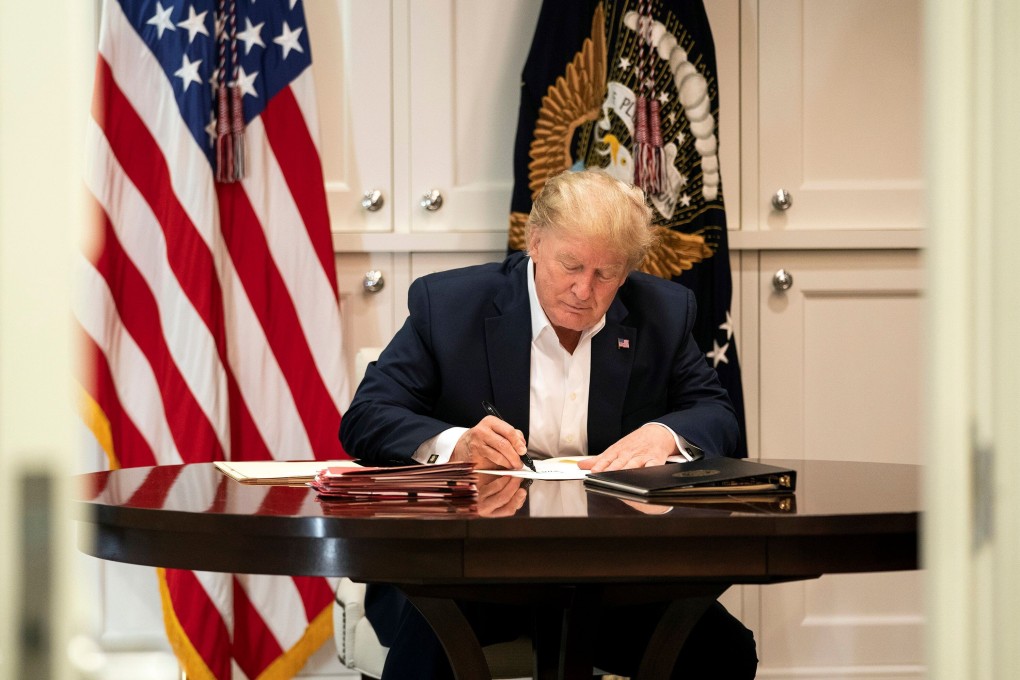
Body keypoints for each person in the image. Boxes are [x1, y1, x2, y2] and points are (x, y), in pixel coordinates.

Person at [339, 169, 757, 678]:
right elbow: (366, 416)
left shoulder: (663, 313)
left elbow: (716, 415)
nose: (585, 290)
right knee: (428, 649)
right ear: (535, 242)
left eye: (606, 274)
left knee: (722, 650)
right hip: (468, 571)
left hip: (610, 576)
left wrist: (666, 433)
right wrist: (456, 444)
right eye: (571, 265)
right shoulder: (449, 306)